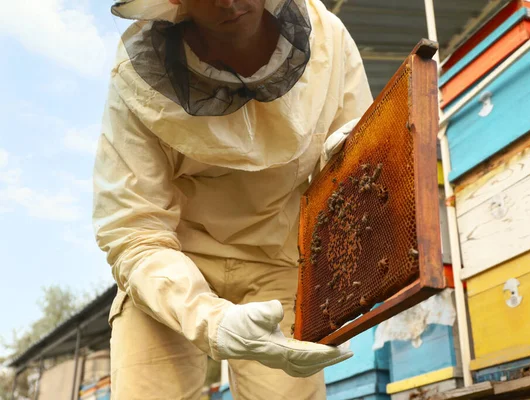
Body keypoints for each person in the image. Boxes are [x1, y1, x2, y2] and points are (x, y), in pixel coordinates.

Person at [93, 0, 373, 398]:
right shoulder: (135, 74)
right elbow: (133, 226)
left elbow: (356, 161)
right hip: (171, 264)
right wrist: (212, 321)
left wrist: (345, 162)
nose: (227, 1)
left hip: (278, 262)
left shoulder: (329, 40)